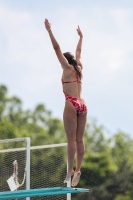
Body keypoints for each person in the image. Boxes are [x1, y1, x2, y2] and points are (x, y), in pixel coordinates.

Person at [44, 18, 87, 187]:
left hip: (71, 102)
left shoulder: (67, 68)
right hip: (83, 104)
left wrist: (49, 31)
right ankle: (78, 169)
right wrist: (81, 38)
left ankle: (70, 170)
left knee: (70, 139)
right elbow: (79, 52)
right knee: (80, 139)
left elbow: (57, 49)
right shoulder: (79, 69)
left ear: (66, 61)